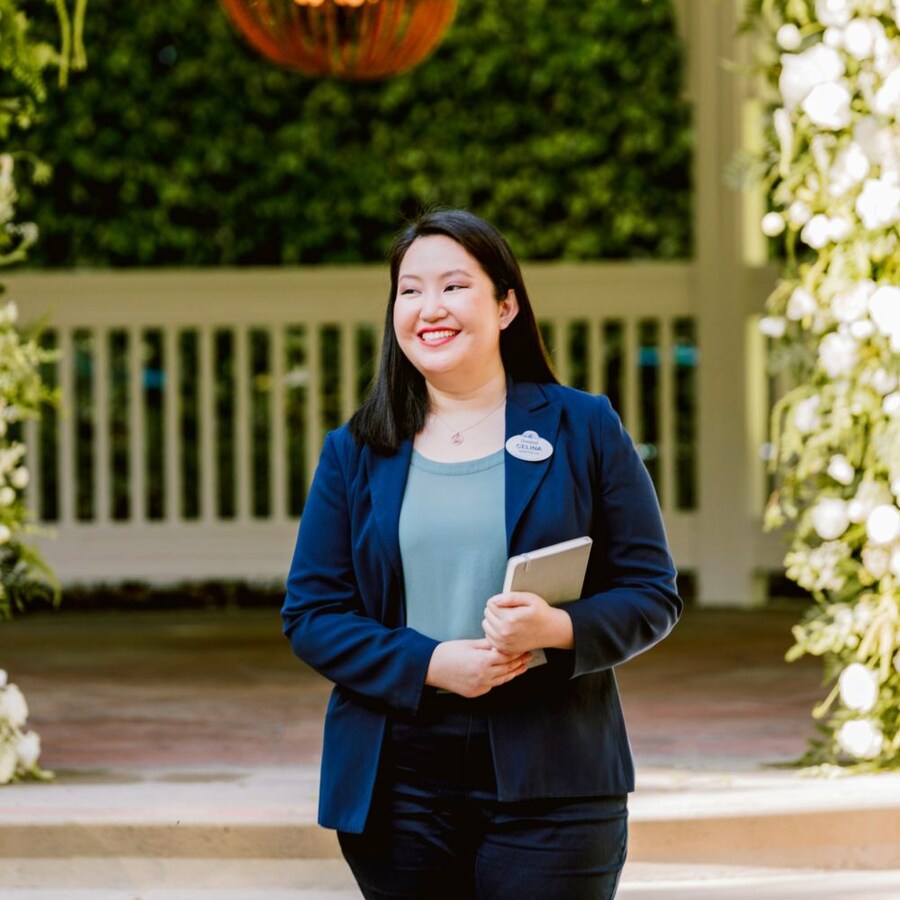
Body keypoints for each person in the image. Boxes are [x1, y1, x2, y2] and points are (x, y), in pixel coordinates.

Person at [282, 208, 681, 900]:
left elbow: (652, 592)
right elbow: (312, 614)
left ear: (506, 305)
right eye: (409, 290)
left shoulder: (583, 426)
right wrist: (434, 663)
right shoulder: (355, 451)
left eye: (454, 286)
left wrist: (555, 629)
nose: (429, 308)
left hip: (555, 771)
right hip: (398, 778)